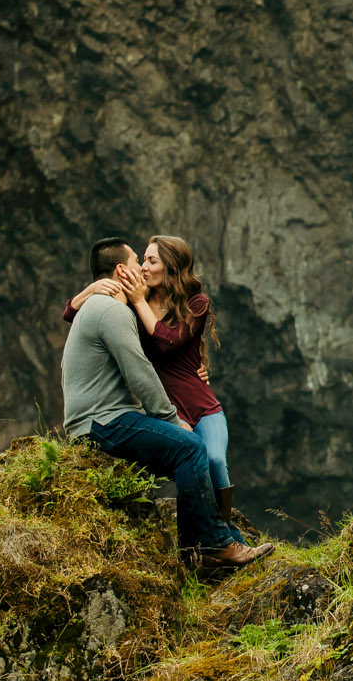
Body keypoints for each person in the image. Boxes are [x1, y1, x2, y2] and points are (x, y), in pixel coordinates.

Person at [59, 237, 271, 570]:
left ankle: (200, 552)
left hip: (105, 417)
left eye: (149, 262)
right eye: (137, 262)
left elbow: (171, 342)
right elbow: (140, 371)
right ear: (121, 270)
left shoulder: (111, 305)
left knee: (190, 456)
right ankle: (214, 546)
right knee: (189, 448)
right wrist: (171, 420)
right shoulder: (112, 309)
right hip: (103, 421)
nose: (142, 268)